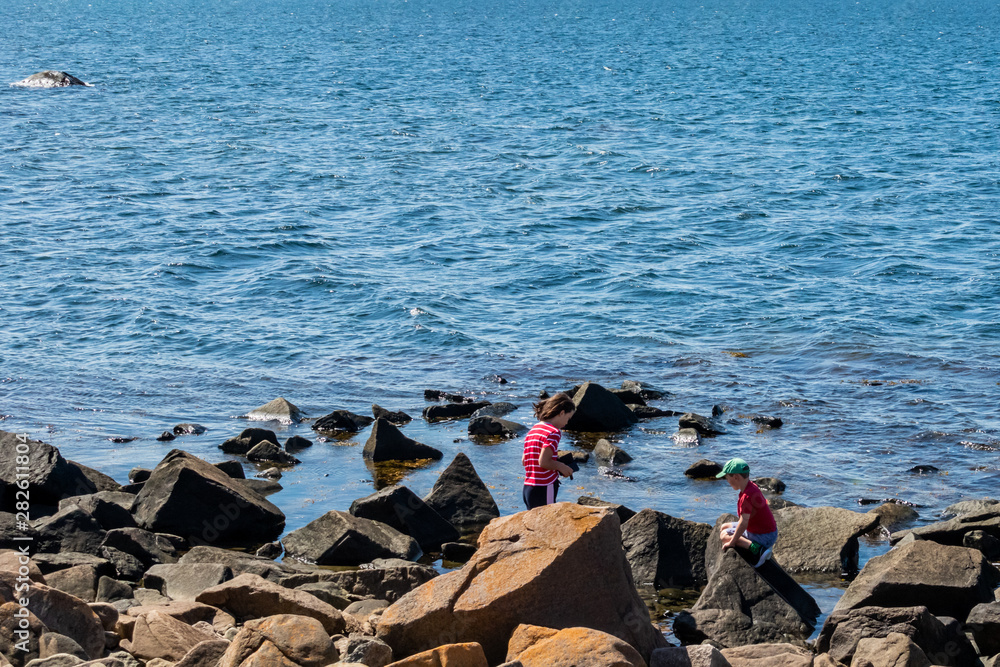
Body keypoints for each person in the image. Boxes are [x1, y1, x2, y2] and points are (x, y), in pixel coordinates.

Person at [717, 457, 778, 567]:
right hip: (769, 532)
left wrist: (732, 542)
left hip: (763, 536)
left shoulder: (746, 496)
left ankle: (758, 550)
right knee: (724, 526)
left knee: (724, 536)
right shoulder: (752, 486)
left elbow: (743, 523)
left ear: (736, 477)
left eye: (727, 478)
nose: (727, 481)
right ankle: (763, 545)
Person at [522, 392, 576, 509]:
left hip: (528, 487)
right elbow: (544, 462)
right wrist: (561, 466)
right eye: (568, 418)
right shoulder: (553, 432)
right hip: (544, 486)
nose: (567, 423)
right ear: (561, 413)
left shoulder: (533, 430)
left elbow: (524, 460)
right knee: (548, 519)